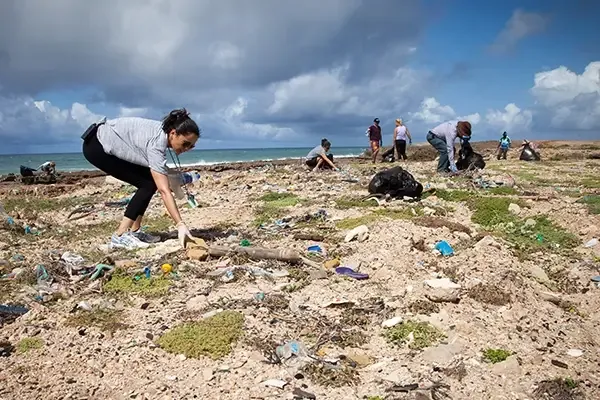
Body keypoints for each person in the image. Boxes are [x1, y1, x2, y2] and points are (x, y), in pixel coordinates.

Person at [82, 109, 200, 250]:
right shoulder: (156, 143)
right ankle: (120, 236)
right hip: (97, 147)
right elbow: (164, 191)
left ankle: (135, 231)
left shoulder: (162, 133)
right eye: (185, 143)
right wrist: (180, 224)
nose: (187, 149)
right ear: (173, 133)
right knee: (148, 184)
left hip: (101, 141)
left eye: (191, 146)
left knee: (148, 182)